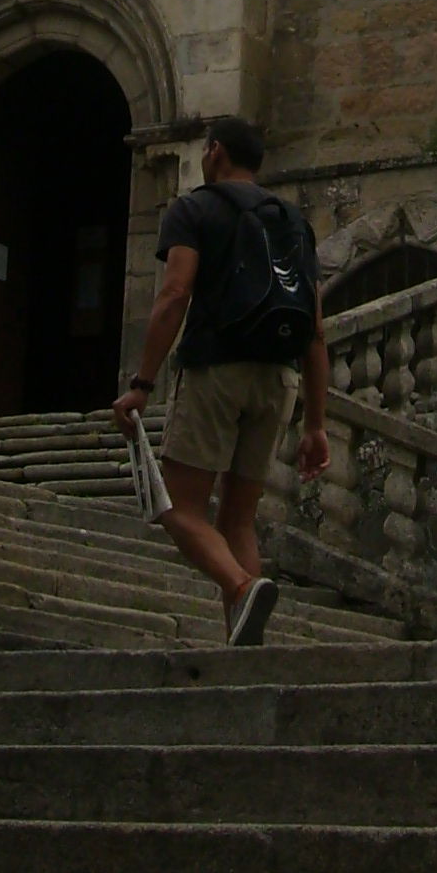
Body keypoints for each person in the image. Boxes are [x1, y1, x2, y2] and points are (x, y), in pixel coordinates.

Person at [111, 115, 331, 646]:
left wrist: (142, 381)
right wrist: (316, 425)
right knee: (238, 520)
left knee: (177, 508)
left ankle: (238, 586)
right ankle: (244, 638)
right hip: (278, 379)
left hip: (217, 370)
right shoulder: (294, 222)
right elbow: (316, 332)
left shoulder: (194, 208)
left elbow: (174, 294)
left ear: (213, 152)